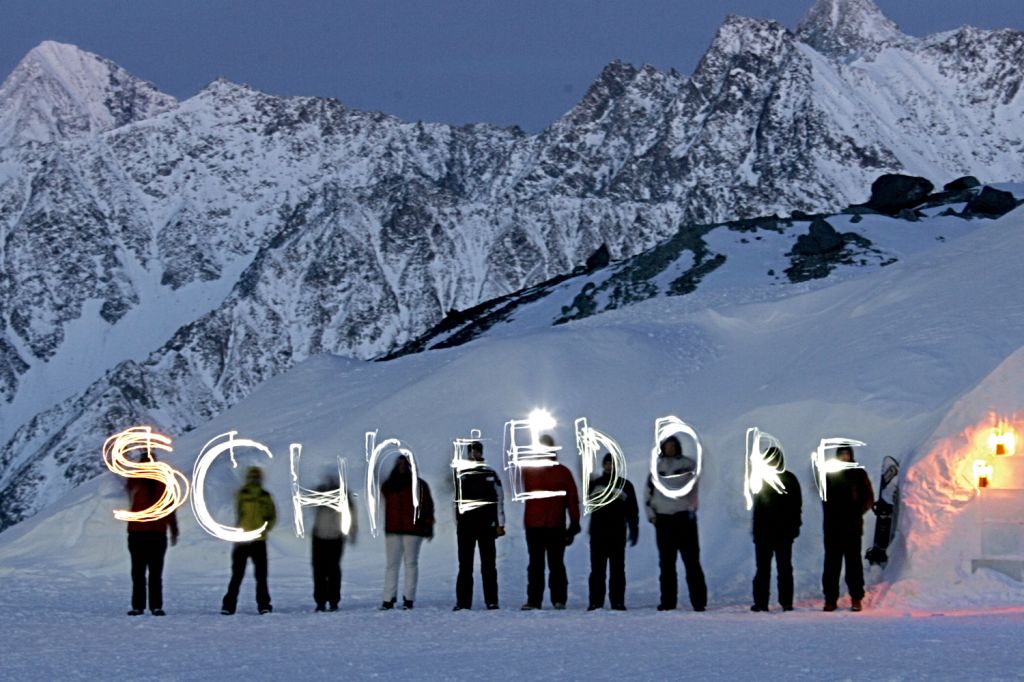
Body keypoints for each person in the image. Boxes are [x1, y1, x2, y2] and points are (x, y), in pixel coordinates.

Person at [645, 435, 707, 611]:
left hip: (684, 518)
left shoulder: (688, 465)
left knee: (692, 561)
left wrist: (691, 507)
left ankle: (699, 601)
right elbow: (647, 494)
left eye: (673, 445)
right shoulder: (657, 467)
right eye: (667, 446)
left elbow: (696, 485)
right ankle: (668, 602)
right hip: (664, 519)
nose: (670, 449)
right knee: (666, 563)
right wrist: (652, 515)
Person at [521, 434, 581, 610]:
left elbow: (572, 498)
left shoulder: (556, 471)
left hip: (550, 524)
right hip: (538, 524)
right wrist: (574, 522)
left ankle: (557, 599)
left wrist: (575, 522)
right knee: (537, 564)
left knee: (554, 564)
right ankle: (537, 600)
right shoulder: (535, 470)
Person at [453, 441, 505, 611]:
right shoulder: (461, 474)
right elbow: (456, 502)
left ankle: (492, 601)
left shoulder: (490, 473)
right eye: (472, 451)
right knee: (465, 566)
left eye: (477, 451)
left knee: (489, 566)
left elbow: (499, 499)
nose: (474, 454)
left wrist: (500, 523)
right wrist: (459, 523)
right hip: (466, 527)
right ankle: (463, 603)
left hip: (486, 526)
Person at [822, 445, 874, 612]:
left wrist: (857, 511)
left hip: (852, 526)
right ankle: (830, 599)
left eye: (846, 454)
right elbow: (825, 498)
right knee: (832, 564)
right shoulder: (830, 474)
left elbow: (868, 497)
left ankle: (856, 598)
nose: (844, 457)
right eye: (841, 454)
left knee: (854, 564)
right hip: (833, 527)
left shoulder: (858, 473)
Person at [750, 446, 802, 612]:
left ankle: (784, 602)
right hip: (767, 533)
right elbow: (758, 508)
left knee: (783, 568)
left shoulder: (788, 479)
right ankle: (762, 602)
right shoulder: (762, 479)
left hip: (782, 533)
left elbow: (796, 506)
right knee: (766, 569)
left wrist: (794, 527)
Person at [380, 455, 435, 610]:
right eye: (400, 463)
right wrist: (428, 525)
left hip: (404, 529)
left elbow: (427, 507)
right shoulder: (418, 484)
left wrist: (428, 524)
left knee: (400, 564)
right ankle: (400, 598)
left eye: (405, 464)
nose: (402, 466)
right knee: (404, 564)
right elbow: (428, 506)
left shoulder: (389, 485)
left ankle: (394, 599)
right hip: (407, 529)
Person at [221, 466, 277, 615]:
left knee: (260, 576)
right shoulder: (242, 494)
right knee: (237, 574)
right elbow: (238, 512)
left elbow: (272, 515)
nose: (254, 480)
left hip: (258, 540)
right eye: (252, 477)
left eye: (256, 477)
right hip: (243, 540)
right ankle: (229, 605)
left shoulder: (265, 496)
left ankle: (263, 605)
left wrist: (264, 529)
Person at [588, 452, 639, 611]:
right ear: (603, 465)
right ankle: (596, 601)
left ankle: (617, 601)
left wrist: (634, 528)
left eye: (612, 463)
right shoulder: (595, 484)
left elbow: (632, 510)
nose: (609, 466)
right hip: (598, 532)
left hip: (617, 533)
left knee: (617, 569)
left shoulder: (626, 485)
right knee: (597, 570)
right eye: (607, 463)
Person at [125, 473, 180, 616]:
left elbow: (170, 507)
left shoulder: (160, 483)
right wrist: (173, 529)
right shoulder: (137, 481)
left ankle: (149, 606)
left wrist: (174, 529)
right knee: (141, 572)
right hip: (144, 534)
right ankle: (146, 606)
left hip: (150, 533)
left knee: (151, 573)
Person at [311, 475, 357, 612]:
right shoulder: (320, 494)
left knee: (333, 571)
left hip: (335, 537)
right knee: (319, 571)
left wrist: (351, 531)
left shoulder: (344, 496)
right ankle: (320, 601)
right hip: (319, 537)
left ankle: (333, 601)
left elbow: (351, 515)